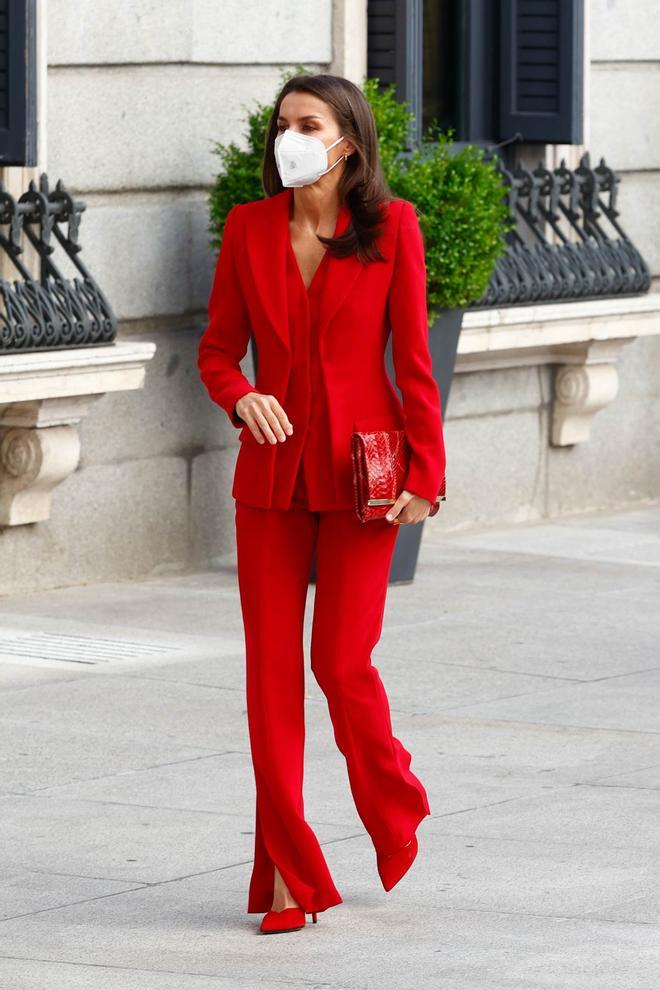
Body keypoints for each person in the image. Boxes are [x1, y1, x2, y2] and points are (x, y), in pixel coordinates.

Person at [197, 72, 446, 936]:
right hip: (268, 482)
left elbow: (414, 362)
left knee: (341, 665)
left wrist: (427, 473)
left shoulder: (394, 229)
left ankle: (395, 793)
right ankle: (286, 881)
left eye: (307, 124)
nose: (288, 137)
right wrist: (239, 397)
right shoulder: (249, 228)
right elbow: (219, 351)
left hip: (361, 482)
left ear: (347, 141)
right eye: (280, 124)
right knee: (270, 682)